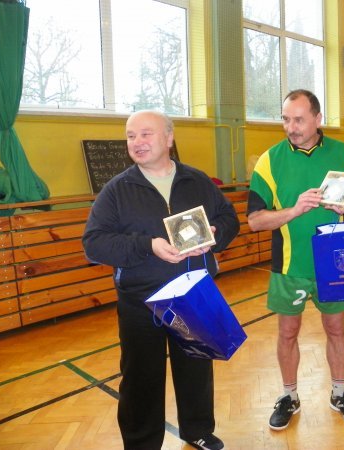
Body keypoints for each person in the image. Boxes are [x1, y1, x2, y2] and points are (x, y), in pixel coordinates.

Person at [82, 110, 240, 450]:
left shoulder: (197, 181)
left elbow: (230, 218)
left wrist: (216, 234)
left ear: (169, 138)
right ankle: (141, 443)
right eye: (130, 136)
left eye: (145, 134)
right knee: (141, 378)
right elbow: (93, 243)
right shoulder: (117, 190)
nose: (136, 142)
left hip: (194, 295)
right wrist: (147, 246)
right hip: (141, 303)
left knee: (196, 367)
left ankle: (198, 430)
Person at [247, 89, 344, 430]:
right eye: (286, 119)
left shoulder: (343, 152)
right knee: (288, 332)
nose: (292, 127)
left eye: (299, 120)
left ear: (318, 119)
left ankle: (340, 393)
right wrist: (294, 210)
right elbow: (255, 220)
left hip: (336, 262)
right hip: (289, 267)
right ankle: (289, 396)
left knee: (336, 328)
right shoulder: (269, 161)